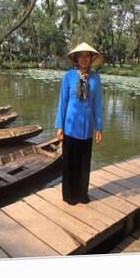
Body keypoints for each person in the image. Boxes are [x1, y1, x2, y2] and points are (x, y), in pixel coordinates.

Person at [55, 42, 104, 205]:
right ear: (76, 58)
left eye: (87, 56)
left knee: (84, 163)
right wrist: (59, 125)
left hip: (87, 129)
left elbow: (97, 103)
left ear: (91, 58)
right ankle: (70, 195)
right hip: (70, 127)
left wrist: (99, 126)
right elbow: (62, 102)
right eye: (81, 56)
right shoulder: (68, 77)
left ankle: (82, 194)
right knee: (70, 163)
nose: (84, 59)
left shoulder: (95, 78)